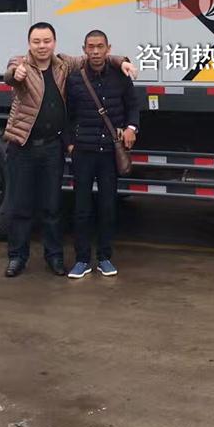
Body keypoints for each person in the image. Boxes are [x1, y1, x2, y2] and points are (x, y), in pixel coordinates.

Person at [2, 22, 134, 278]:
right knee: (21, 206)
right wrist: (14, 74)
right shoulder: (20, 64)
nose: (42, 46)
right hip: (23, 146)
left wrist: (122, 62)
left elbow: (96, 56)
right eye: (36, 41)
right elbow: (10, 74)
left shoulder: (63, 64)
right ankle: (17, 257)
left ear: (54, 42)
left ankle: (54, 257)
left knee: (52, 207)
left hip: (53, 146)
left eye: (47, 41)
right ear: (29, 44)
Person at [64, 29, 139, 279]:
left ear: (108, 49)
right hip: (83, 152)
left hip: (109, 153)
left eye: (100, 46)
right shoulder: (75, 78)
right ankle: (82, 260)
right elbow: (67, 115)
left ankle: (105, 257)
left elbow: (133, 105)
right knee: (82, 208)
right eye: (91, 47)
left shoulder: (120, 75)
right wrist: (70, 144)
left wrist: (131, 128)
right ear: (84, 50)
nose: (95, 51)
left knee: (108, 206)